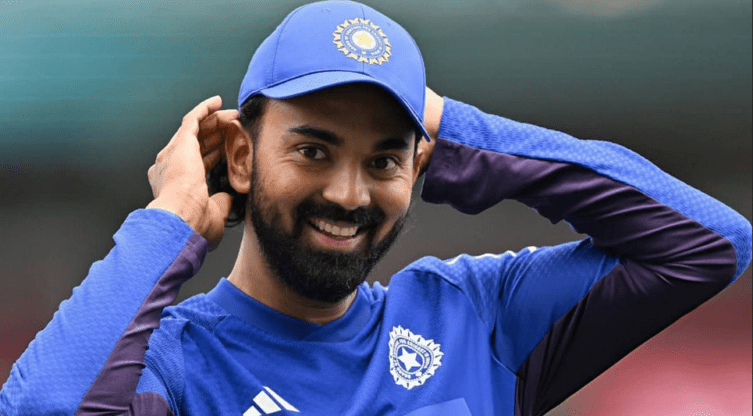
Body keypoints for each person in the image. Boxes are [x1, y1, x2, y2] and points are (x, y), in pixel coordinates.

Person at [1, 0, 750, 415]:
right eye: (313, 150)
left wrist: (456, 133)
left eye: (384, 159)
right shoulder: (175, 365)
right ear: (241, 156)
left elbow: (709, 243)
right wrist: (167, 221)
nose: (349, 194)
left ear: (419, 166)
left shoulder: (479, 319)